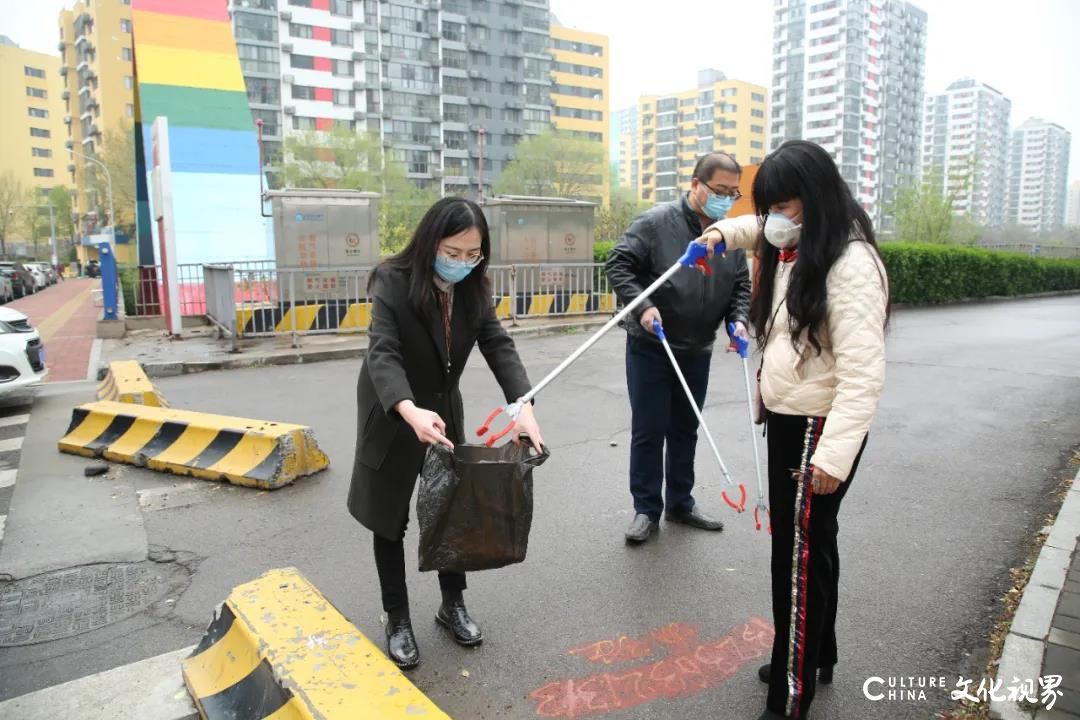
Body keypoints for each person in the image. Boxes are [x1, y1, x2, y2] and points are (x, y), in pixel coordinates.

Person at [698, 140, 889, 720]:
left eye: (785, 205)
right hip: (790, 416)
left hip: (817, 429)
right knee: (814, 545)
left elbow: (862, 375)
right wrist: (721, 235)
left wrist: (832, 458)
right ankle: (814, 652)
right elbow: (760, 228)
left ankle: (790, 691)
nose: (775, 218)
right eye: (770, 206)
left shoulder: (849, 265)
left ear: (815, 199)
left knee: (797, 558)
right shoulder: (805, 237)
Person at [347, 197, 544, 670]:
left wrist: (524, 406)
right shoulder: (393, 282)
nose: (461, 263)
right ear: (431, 241)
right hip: (394, 409)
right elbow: (384, 352)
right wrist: (409, 408)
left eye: (472, 254)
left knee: (452, 507)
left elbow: (498, 344)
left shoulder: (474, 289)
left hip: (442, 409)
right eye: (452, 252)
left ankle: (451, 603)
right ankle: (397, 617)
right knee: (388, 516)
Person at [605, 152, 752, 545]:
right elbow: (618, 265)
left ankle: (681, 503)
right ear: (695, 185)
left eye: (732, 193)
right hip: (653, 343)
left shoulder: (730, 235)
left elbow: (741, 284)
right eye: (719, 190)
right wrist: (644, 307)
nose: (725, 199)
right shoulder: (656, 223)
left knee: (686, 428)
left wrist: (737, 320)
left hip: (697, 347)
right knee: (650, 429)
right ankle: (646, 510)